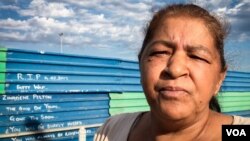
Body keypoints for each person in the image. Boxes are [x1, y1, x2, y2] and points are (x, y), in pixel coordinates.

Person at [94, 3, 250, 141]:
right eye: (160, 52)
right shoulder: (112, 129)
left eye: (197, 56)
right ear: (141, 64)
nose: (175, 69)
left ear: (219, 79)